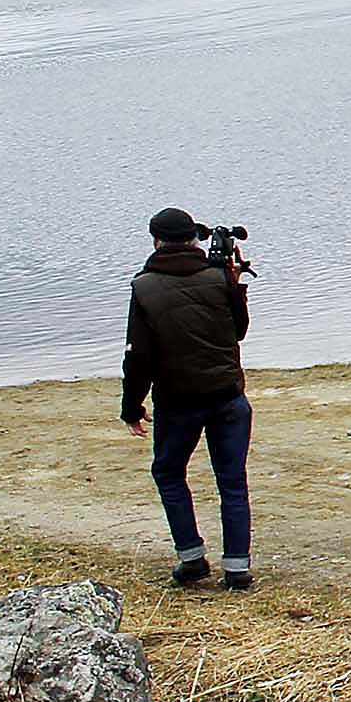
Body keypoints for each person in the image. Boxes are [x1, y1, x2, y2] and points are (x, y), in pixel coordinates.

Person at [119, 208, 254, 590]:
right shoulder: (217, 276)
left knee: (168, 472)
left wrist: (132, 406)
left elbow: (138, 356)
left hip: (178, 401)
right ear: (193, 238)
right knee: (232, 481)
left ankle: (192, 558)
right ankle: (237, 568)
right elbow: (239, 331)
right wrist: (234, 283)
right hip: (228, 396)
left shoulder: (144, 287)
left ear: (155, 240)